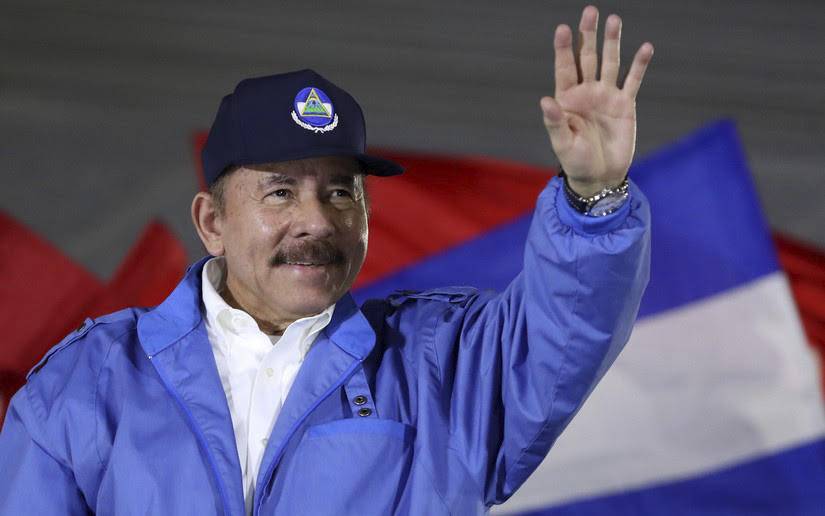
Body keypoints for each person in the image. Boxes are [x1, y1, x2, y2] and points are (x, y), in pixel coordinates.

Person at [0, 5, 653, 515]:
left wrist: (593, 194)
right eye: (280, 192)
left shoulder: (440, 371)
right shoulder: (87, 386)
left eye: (340, 192)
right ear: (212, 223)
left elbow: (566, 334)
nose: (316, 221)